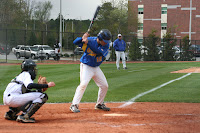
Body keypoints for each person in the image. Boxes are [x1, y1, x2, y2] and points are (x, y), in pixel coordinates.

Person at [70, 29, 112, 113]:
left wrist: (87, 42)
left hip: (96, 67)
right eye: (104, 41)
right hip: (86, 66)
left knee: (104, 85)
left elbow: (99, 52)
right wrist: (83, 38)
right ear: (99, 39)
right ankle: (74, 105)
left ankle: (99, 104)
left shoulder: (105, 46)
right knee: (83, 84)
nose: (106, 42)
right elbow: (75, 42)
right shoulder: (91, 40)